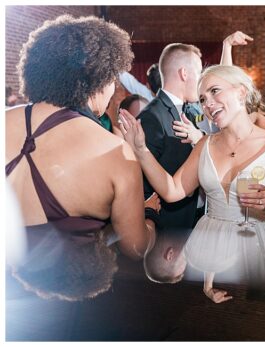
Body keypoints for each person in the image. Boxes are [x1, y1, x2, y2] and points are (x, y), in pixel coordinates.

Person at [119, 64, 265, 303]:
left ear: (242, 92)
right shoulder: (205, 145)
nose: (208, 104)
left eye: (215, 91)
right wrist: (141, 150)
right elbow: (173, 191)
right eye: (202, 98)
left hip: (256, 250)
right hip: (210, 253)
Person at [6, 15, 153, 301]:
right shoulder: (113, 150)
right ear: (99, 80)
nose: (112, 92)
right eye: (112, 80)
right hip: (78, 300)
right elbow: (135, 248)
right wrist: (151, 218)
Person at [136, 43, 205, 235]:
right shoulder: (152, 117)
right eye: (198, 73)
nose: (200, 81)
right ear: (184, 73)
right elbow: (141, 182)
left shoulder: (185, 112)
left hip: (188, 223)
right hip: (165, 229)